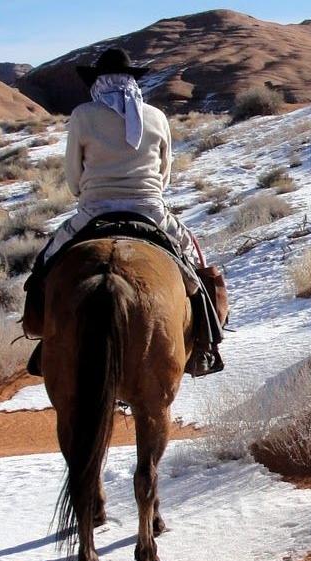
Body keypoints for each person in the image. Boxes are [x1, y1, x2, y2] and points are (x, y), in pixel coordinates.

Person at [22, 48, 225, 377]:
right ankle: (206, 344)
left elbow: (73, 175)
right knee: (195, 269)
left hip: (93, 210)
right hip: (151, 209)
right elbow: (165, 174)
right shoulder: (156, 116)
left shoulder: (83, 115)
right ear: (132, 81)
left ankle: (46, 338)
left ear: (98, 82)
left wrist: (87, 192)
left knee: (46, 265)